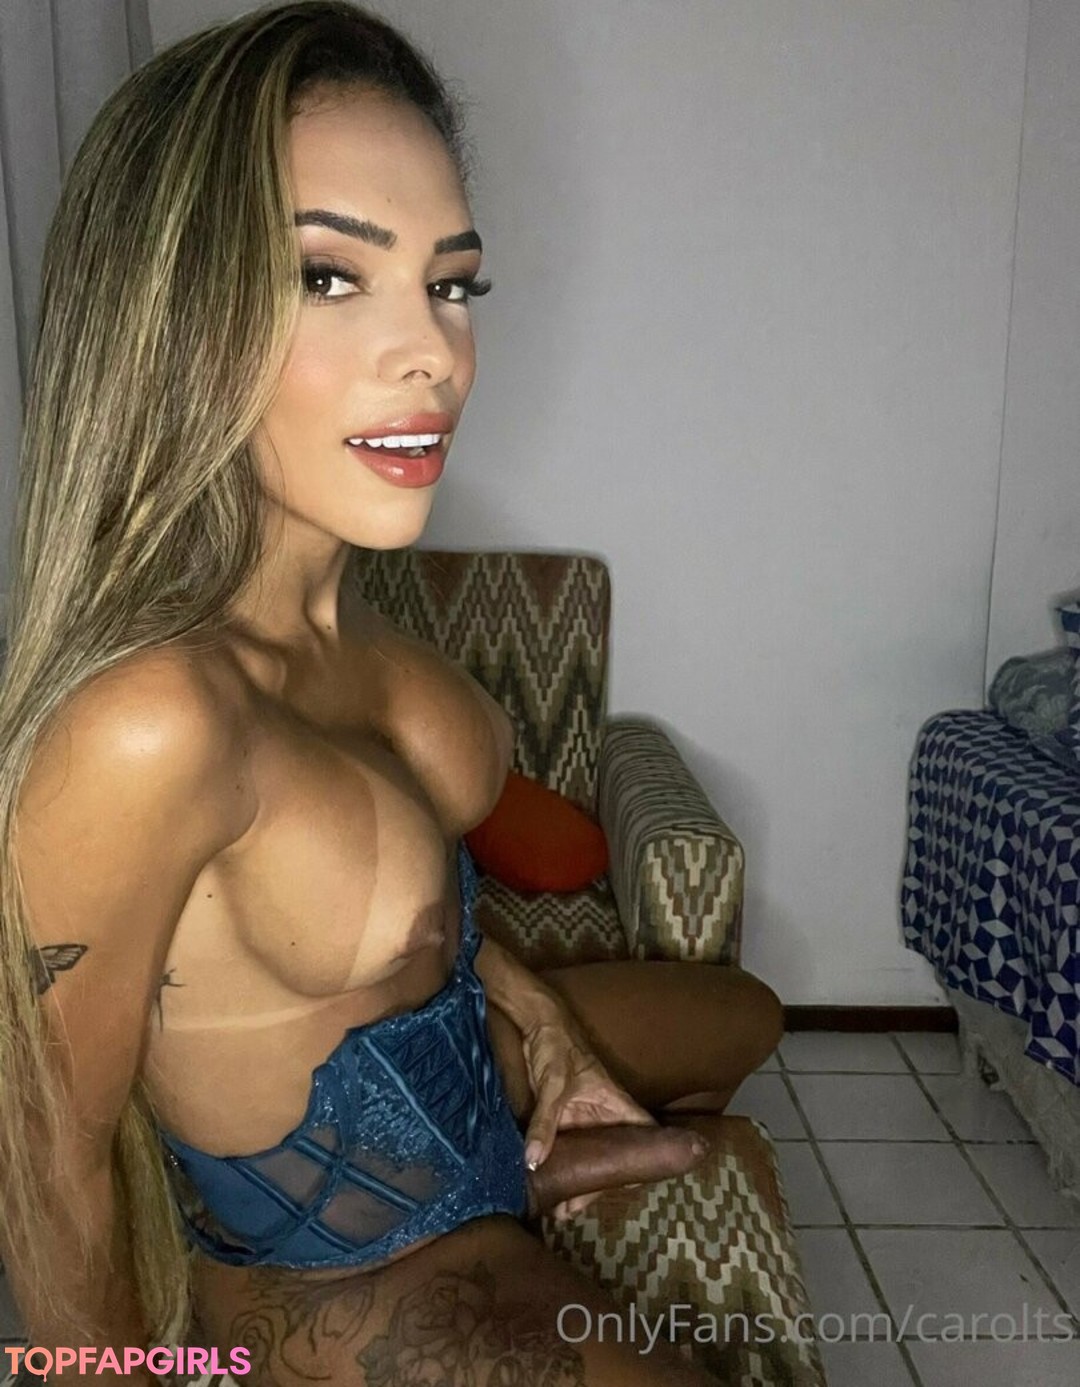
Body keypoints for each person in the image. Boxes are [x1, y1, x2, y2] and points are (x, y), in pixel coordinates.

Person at [0, 3, 783, 1382]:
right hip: (352, 1263)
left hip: (460, 1074)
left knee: (748, 1017)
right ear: (169, 316)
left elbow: (414, 899)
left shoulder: (352, 605)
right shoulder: (148, 722)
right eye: (329, 276)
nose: (435, 351)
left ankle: (525, 1155)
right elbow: (43, 1154)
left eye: (451, 283)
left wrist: (547, 1027)